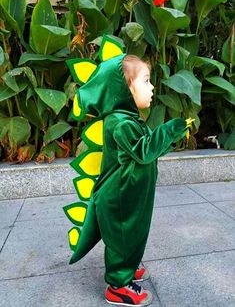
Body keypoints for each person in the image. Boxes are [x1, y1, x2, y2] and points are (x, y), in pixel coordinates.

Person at [64, 39, 191, 306]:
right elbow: (144, 150)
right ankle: (118, 285)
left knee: (135, 233)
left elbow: (146, 152)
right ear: (125, 88)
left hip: (133, 193)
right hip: (120, 197)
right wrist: (170, 130)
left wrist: (164, 142)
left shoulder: (129, 118)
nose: (152, 87)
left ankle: (129, 266)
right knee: (123, 238)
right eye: (145, 81)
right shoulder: (120, 123)